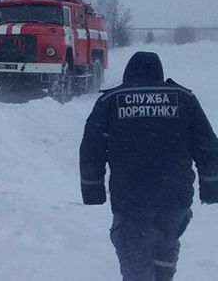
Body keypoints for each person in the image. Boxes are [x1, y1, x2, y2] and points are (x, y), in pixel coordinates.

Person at [80, 51, 218, 281]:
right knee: (166, 249)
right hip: (175, 200)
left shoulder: (111, 100)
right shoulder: (184, 99)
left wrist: (92, 189)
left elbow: (91, 148)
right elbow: (208, 147)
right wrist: (211, 188)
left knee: (136, 265)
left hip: (131, 201)